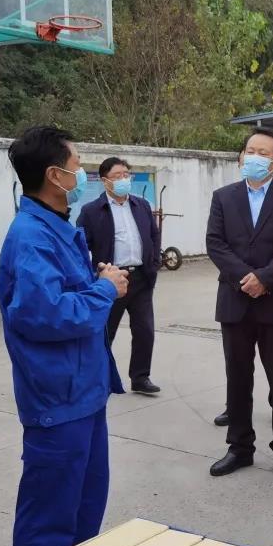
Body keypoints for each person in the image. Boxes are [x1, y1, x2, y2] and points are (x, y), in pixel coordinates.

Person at [0, 126, 129, 546]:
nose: (83, 174)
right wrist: (105, 290)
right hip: (57, 402)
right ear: (55, 176)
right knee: (49, 524)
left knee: (84, 512)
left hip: (84, 394)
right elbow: (46, 314)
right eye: (77, 166)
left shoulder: (57, 228)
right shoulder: (32, 237)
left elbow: (65, 295)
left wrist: (97, 282)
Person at [205, 128, 273, 481]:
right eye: (250, 150)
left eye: (263, 153)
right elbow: (215, 243)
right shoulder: (223, 197)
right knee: (237, 379)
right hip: (234, 302)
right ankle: (239, 447)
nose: (254, 157)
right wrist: (245, 278)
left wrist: (264, 278)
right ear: (241, 156)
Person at [77, 157, 161, 395]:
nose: (124, 179)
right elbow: (80, 247)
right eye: (117, 176)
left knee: (144, 331)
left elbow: (154, 236)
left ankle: (140, 378)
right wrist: (96, 274)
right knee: (105, 332)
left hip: (141, 278)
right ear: (105, 181)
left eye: (126, 174)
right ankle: (99, 378)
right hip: (111, 280)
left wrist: (153, 263)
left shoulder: (141, 205)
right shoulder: (91, 211)